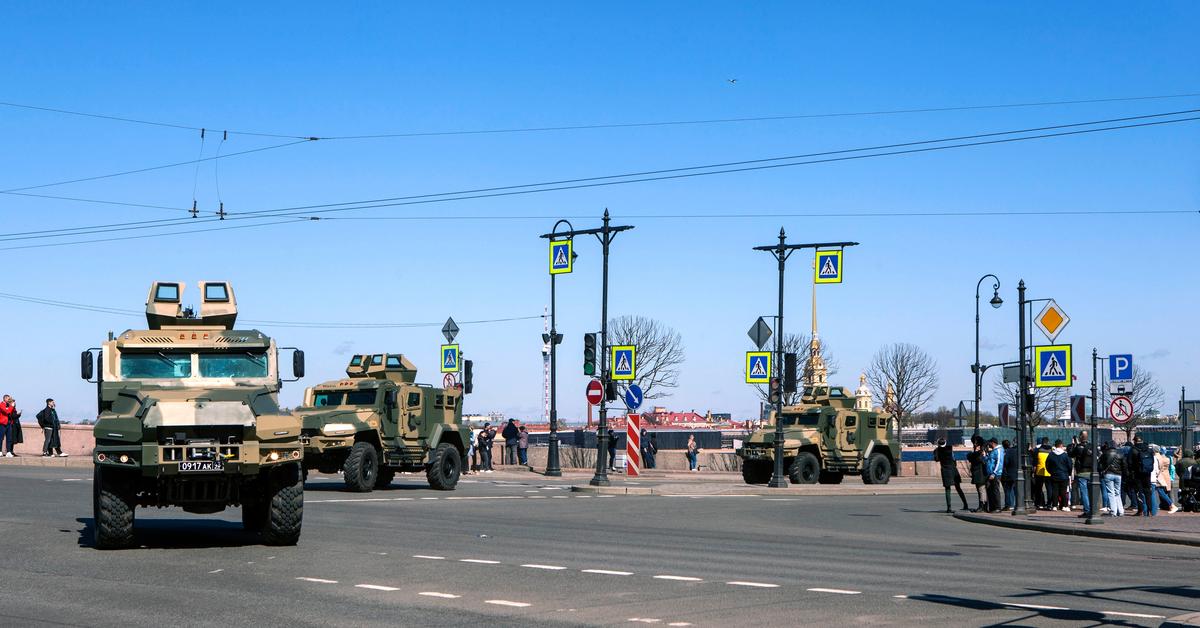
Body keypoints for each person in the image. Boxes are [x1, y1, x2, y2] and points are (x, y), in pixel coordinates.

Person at [934, 438, 969, 513]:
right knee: (958, 488)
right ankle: (965, 504)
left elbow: (936, 459)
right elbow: (953, 458)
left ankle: (949, 508)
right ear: (945, 443)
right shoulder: (950, 448)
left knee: (947, 489)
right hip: (953, 469)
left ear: (938, 444)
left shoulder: (936, 450)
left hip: (945, 470)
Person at [1127, 435, 1156, 516]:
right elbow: (1152, 461)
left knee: (1138, 492)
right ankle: (1150, 511)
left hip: (1137, 473)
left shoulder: (1133, 450)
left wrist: (1131, 471)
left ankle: (1141, 510)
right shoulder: (1148, 449)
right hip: (1147, 473)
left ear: (1135, 441)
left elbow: (1129, 462)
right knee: (1148, 492)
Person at [1068, 431, 1094, 517]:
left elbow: (1070, 454)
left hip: (1082, 471)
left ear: (1080, 437)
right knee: (1092, 491)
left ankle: (1087, 510)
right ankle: (1093, 509)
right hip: (1091, 471)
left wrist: (1073, 444)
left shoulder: (1078, 447)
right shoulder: (1091, 446)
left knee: (1084, 492)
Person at [1046, 439, 1073, 511]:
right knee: (1063, 491)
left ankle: (1054, 505)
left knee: (1055, 491)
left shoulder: (1051, 454)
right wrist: (1069, 473)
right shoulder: (1065, 455)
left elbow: (1047, 465)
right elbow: (1070, 465)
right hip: (1064, 475)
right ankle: (1064, 506)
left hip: (1054, 475)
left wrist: (1050, 472)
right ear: (1061, 445)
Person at [1100, 442, 1125, 516]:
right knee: (1117, 493)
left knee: (1111, 493)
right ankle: (1121, 511)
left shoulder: (1105, 454)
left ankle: (1113, 511)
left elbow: (1100, 464)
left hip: (1108, 474)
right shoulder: (1120, 454)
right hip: (1118, 475)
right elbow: (1124, 465)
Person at [1152, 444, 1178, 513]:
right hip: (1164, 476)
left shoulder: (1156, 457)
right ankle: (1171, 505)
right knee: (1163, 492)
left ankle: (1170, 505)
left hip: (1158, 476)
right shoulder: (1166, 458)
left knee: (1159, 492)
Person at [967, 439, 988, 512]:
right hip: (979, 474)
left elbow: (972, 457)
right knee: (981, 490)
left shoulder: (979, 454)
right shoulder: (980, 453)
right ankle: (983, 505)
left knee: (981, 490)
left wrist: (977, 451)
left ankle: (982, 505)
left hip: (980, 474)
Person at [1033, 437, 1052, 510]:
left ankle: (1039, 503)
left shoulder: (1037, 450)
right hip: (1049, 472)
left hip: (1039, 471)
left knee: (1039, 489)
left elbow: (1035, 462)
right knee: (1049, 489)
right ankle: (1049, 504)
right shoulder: (1051, 450)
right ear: (1048, 442)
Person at [985, 438, 1004, 513]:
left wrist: (994, 473)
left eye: (990, 443)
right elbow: (989, 460)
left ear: (993, 443)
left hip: (995, 474)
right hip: (990, 473)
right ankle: (992, 507)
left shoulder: (998, 450)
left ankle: (997, 507)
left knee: (995, 490)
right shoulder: (993, 451)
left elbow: (999, 463)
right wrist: (985, 455)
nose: (989, 445)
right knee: (990, 490)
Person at [1001, 439, 1018, 511]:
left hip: (1009, 473)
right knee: (1014, 490)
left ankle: (1008, 505)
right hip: (1016, 473)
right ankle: (1014, 504)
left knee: (1008, 490)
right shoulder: (1015, 451)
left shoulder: (1007, 452)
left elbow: (1005, 463)